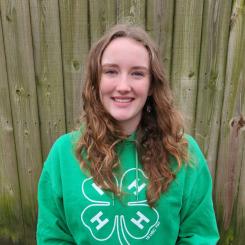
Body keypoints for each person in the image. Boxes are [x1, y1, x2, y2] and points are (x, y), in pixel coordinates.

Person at [37, 24, 219, 244]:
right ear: (96, 80)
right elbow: (53, 236)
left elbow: (199, 236)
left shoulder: (183, 153)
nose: (123, 86)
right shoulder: (64, 155)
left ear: (152, 84)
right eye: (111, 71)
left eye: (137, 73)